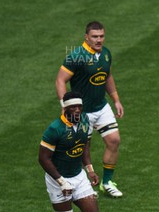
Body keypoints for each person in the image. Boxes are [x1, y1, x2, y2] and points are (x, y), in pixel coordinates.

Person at [56, 21, 125, 198]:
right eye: (95, 36)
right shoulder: (77, 56)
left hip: (101, 106)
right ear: (86, 37)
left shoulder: (106, 54)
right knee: (81, 148)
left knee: (114, 140)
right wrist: (66, 107)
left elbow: (107, 75)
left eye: (101, 36)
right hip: (82, 111)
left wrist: (116, 99)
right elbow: (60, 80)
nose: (99, 40)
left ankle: (107, 182)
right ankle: (82, 183)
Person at [39, 91, 99, 212]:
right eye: (73, 107)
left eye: (80, 106)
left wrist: (90, 169)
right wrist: (61, 181)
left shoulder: (85, 121)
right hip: (57, 179)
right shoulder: (54, 129)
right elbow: (43, 158)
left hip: (78, 176)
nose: (77, 110)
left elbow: (84, 146)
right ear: (65, 108)